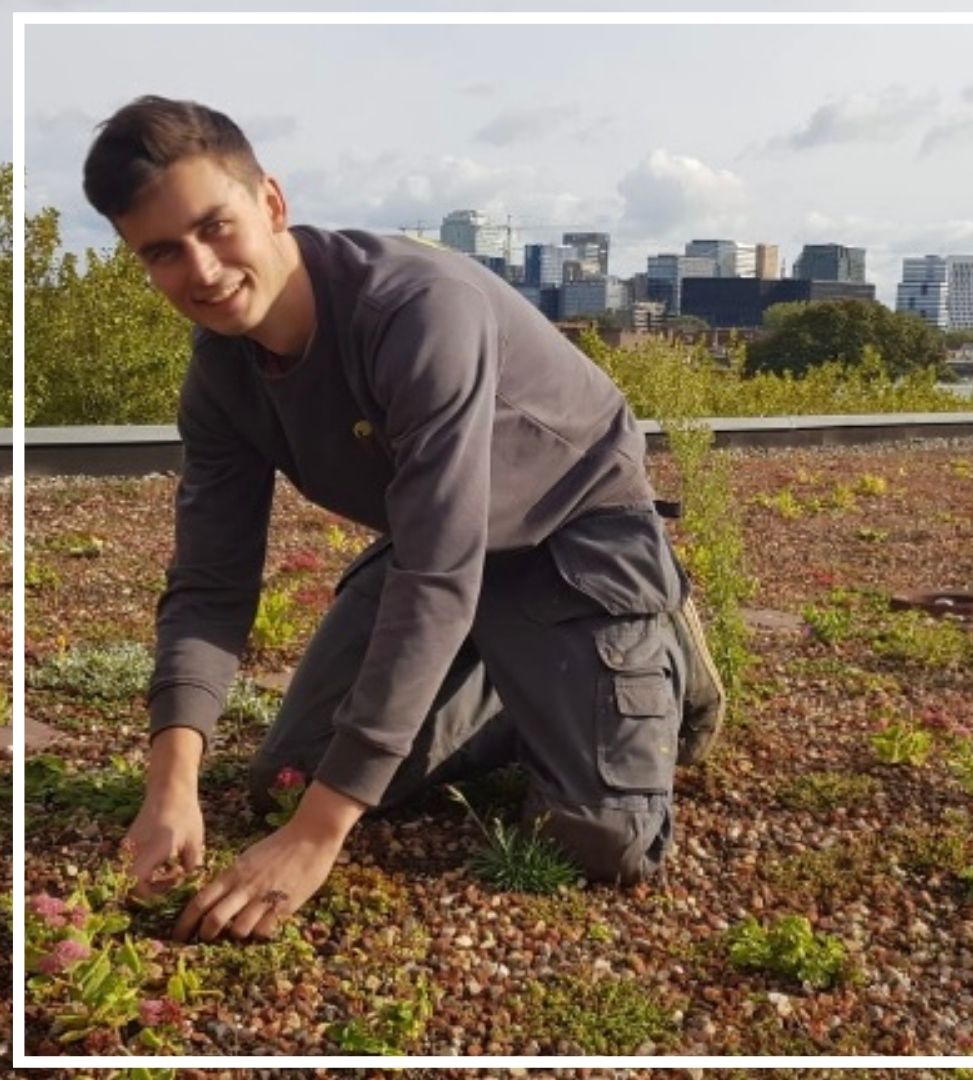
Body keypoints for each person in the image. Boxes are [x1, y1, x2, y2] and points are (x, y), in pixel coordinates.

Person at [81, 95, 724, 943]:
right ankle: (522, 674)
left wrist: (317, 837)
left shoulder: (415, 310)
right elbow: (210, 584)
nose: (199, 270)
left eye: (215, 226)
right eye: (163, 252)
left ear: (271, 202)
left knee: (601, 841)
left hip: (573, 532)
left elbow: (434, 577)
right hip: (440, 546)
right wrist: (171, 782)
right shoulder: (220, 384)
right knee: (288, 775)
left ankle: (656, 646)